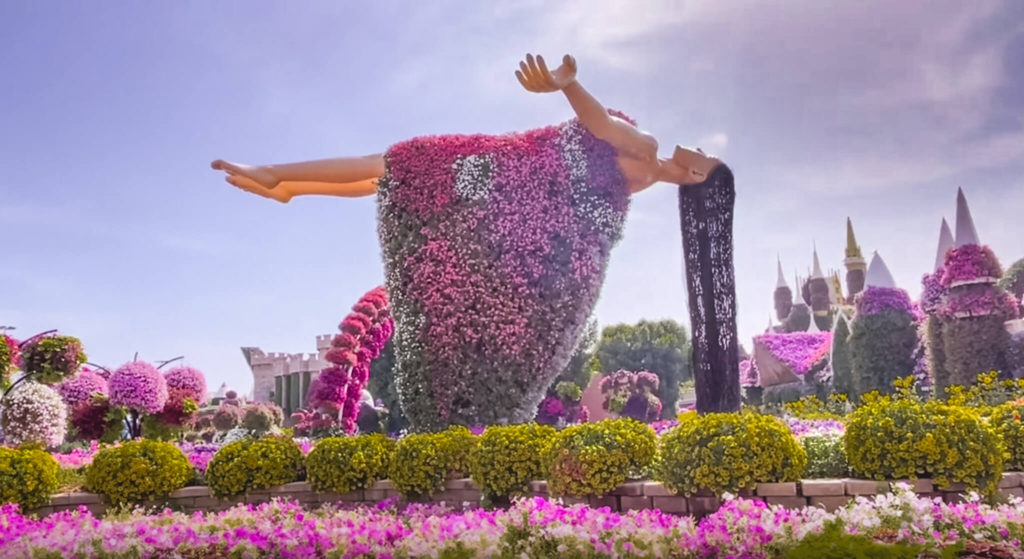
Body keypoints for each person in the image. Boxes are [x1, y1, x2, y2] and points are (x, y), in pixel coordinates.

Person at [211, 54, 720, 202]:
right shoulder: (644, 182)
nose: (696, 147)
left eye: (705, 155)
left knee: (392, 165)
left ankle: (276, 173)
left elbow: (603, 126)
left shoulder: (649, 153)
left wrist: (568, 86)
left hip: (502, 165)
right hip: (509, 186)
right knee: (388, 181)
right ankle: (291, 186)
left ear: (697, 174)